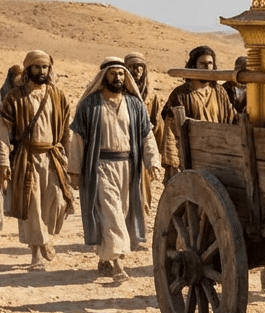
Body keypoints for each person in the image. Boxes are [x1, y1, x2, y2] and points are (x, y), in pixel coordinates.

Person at [69, 58, 161, 281]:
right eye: (113, 74)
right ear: (104, 76)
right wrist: (74, 171)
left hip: (129, 167)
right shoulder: (90, 105)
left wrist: (153, 162)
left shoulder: (134, 104)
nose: (118, 78)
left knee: (123, 212)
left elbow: (146, 136)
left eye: (121, 74)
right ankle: (119, 265)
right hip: (99, 166)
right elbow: (78, 140)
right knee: (111, 213)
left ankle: (105, 256)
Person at [0, 51, 74, 270]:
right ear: (28, 69)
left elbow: (65, 132)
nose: (42, 72)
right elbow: (3, 133)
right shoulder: (14, 98)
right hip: (26, 158)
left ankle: (44, 239)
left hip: (52, 156)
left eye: (45, 68)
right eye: (37, 67)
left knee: (56, 201)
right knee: (31, 205)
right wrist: (4, 162)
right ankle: (36, 252)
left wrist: (69, 160)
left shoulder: (58, 95)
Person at [161, 45, 235, 178]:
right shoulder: (181, 94)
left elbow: (231, 120)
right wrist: (173, 163)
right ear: (194, 66)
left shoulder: (220, 92)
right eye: (203, 64)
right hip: (191, 155)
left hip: (219, 154)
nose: (207, 67)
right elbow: (170, 130)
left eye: (210, 63)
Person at [124, 52, 166, 216]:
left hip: (142, 152)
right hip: (120, 151)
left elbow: (157, 126)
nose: (137, 70)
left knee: (142, 194)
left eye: (140, 67)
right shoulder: (118, 93)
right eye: (133, 67)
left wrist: (155, 156)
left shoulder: (151, 96)